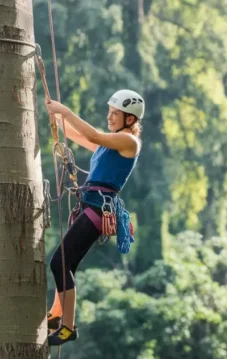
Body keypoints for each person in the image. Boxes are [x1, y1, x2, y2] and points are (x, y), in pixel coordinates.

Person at [44, 89, 144, 346]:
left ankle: (68, 326)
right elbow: (81, 136)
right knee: (67, 264)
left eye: (115, 114)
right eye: (109, 112)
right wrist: (58, 121)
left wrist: (65, 111)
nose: (109, 117)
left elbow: (93, 135)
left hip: (100, 208)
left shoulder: (129, 143)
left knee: (59, 262)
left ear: (130, 120)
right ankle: (56, 315)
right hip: (90, 205)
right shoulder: (110, 143)